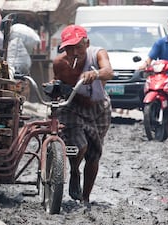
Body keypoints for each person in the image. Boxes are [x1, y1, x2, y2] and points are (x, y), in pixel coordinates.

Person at [52, 25, 113, 204]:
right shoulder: (59, 63)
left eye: (78, 47)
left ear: (87, 44)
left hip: (98, 108)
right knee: (79, 145)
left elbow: (109, 72)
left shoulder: (97, 54)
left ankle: (85, 197)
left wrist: (95, 74)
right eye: (70, 48)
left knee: (94, 153)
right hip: (73, 106)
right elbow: (57, 83)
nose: (75, 52)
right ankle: (73, 170)